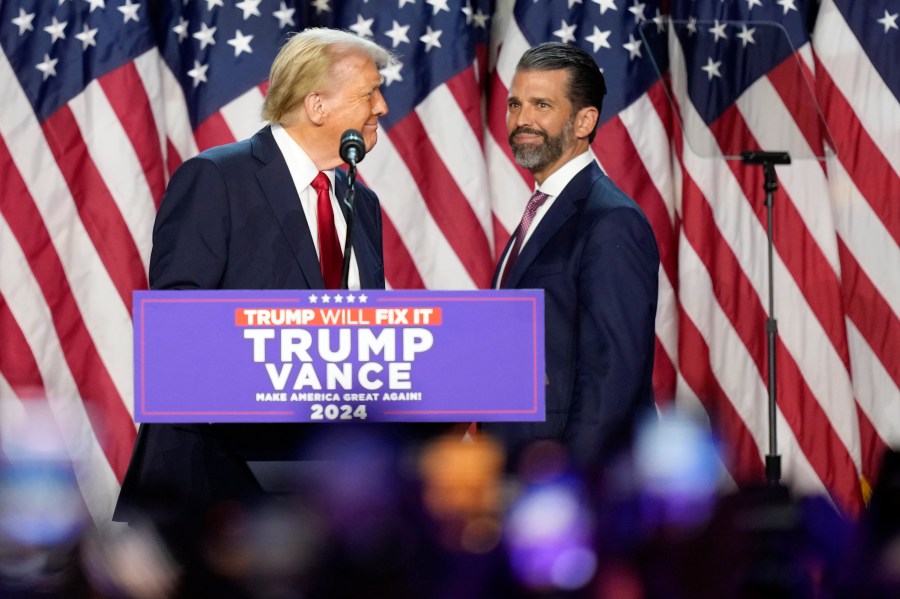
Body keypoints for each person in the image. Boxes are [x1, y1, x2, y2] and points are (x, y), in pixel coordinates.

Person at [114, 28, 397, 521]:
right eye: (369, 93)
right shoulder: (217, 178)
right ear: (317, 106)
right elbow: (176, 326)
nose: (382, 107)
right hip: (209, 481)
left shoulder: (361, 202)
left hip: (316, 484)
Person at [481, 42, 660, 472]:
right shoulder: (542, 210)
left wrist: (572, 482)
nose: (522, 119)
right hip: (518, 467)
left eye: (542, 105)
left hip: (570, 475)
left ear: (584, 121)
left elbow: (611, 375)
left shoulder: (610, 219)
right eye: (515, 104)